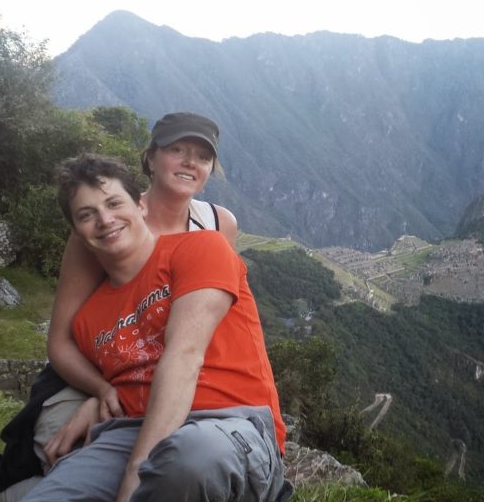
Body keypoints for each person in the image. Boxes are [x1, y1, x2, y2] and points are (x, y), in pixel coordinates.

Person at [21, 153, 289, 501]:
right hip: (131, 430)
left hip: (225, 423)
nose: (105, 219)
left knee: (188, 463)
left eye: (115, 203)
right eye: (87, 215)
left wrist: (136, 473)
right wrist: (100, 394)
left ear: (141, 207)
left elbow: (184, 355)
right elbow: (111, 374)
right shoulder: (88, 321)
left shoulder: (201, 247)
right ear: (77, 232)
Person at [47, 112, 239, 427]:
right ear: (150, 159)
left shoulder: (218, 225)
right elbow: (60, 341)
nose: (190, 162)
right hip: (104, 370)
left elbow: (214, 320)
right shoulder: (107, 226)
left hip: (184, 372)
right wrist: (102, 391)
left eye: (203, 157)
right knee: (57, 441)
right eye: (177, 150)